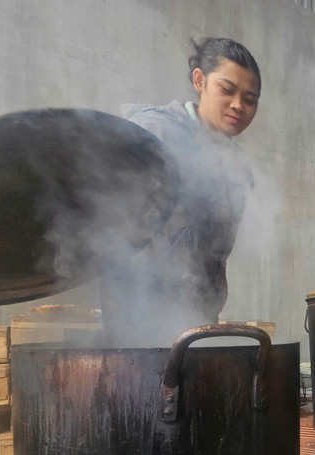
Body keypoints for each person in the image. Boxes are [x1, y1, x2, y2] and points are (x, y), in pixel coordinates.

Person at [100, 37, 261, 344]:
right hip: (137, 323)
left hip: (199, 325)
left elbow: (216, 256)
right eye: (227, 90)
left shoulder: (237, 167)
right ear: (200, 80)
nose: (238, 105)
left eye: (249, 99)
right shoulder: (153, 133)